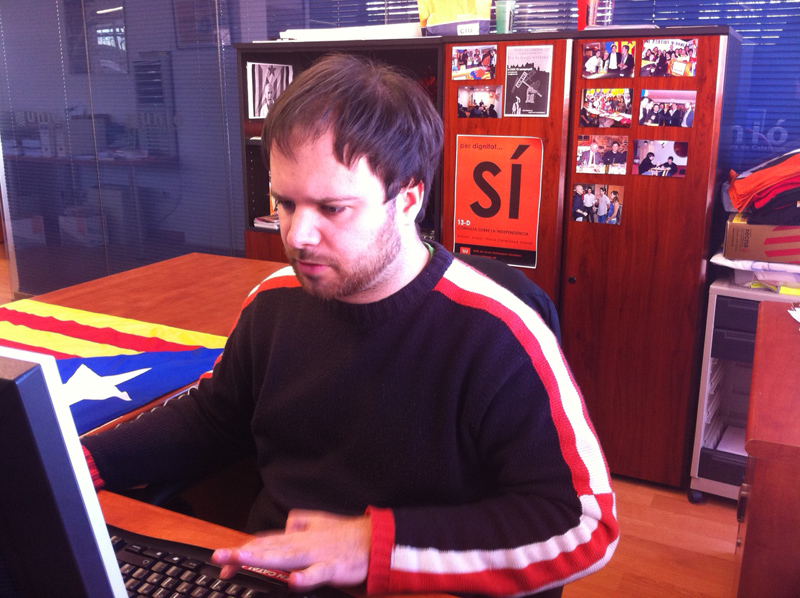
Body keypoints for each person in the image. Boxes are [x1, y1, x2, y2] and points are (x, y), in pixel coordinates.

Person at [81, 54, 618, 597]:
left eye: (332, 208)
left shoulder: (500, 332)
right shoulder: (274, 302)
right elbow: (214, 418)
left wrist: (372, 544)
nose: (297, 236)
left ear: (408, 199)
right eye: (285, 203)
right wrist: (80, 462)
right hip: (268, 577)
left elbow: (584, 526)